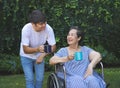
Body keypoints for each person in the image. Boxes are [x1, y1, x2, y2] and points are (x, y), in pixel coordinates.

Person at [20, 10, 56, 88]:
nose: (44, 25)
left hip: (40, 55)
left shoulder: (48, 29)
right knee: (29, 79)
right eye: (41, 24)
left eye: (45, 23)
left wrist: (42, 55)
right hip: (26, 56)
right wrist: (37, 49)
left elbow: (53, 47)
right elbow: (25, 49)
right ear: (33, 24)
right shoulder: (26, 29)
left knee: (40, 79)